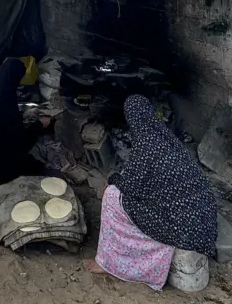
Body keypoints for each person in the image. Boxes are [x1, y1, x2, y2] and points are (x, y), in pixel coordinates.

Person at [86, 94, 218, 291]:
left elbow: (130, 187)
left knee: (112, 196)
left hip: (184, 231)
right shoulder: (168, 139)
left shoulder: (146, 145)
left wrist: (113, 179)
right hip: (205, 225)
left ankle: (109, 262)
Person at [0, 58, 44, 185]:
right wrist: (39, 125)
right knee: (36, 167)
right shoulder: (1, 101)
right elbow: (18, 140)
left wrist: (21, 115)